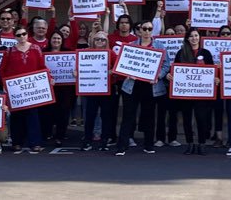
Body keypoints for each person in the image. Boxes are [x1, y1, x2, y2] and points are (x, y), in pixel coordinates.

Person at [115, 19, 164, 156]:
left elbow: (166, 65)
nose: (147, 31)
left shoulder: (159, 45)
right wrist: (128, 74)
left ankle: (148, 145)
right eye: (144, 29)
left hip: (150, 86)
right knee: (128, 116)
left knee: (149, 116)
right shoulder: (130, 46)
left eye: (150, 29)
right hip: (132, 86)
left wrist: (158, 76)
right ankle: (122, 146)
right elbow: (123, 65)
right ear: (139, 30)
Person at [0, 28, 45, 153]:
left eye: (24, 34)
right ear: (15, 37)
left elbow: (42, 66)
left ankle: (35, 142)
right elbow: (2, 70)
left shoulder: (36, 49)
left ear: (27, 35)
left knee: (33, 115)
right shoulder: (9, 51)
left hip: (33, 88)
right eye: (18, 35)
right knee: (17, 116)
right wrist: (5, 84)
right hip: (15, 89)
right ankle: (17, 142)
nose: (22, 36)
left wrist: (49, 78)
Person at [172, 27, 215, 155]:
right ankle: (190, 143)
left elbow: (211, 71)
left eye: (196, 35)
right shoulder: (181, 53)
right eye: (191, 36)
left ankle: (201, 144)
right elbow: (175, 70)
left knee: (201, 118)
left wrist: (215, 78)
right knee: (186, 119)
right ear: (187, 38)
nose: (194, 38)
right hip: (186, 94)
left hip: (201, 94)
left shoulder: (206, 53)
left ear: (199, 37)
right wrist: (171, 76)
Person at [81, 31, 119, 152]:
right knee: (90, 115)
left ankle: (104, 141)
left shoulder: (111, 53)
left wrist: (112, 71)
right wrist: (76, 72)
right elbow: (79, 67)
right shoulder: (86, 52)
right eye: (97, 39)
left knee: (106, 116)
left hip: (107, 89)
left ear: (106, 41)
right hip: (92, 89)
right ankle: (87, 140)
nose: (100, 42)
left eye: (103, 40)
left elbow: (118, 66)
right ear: (93, 40)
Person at [41, 30, 75, 147]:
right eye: (54, 38)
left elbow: (76, 66)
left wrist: (76, 73)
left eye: (59, 39)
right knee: (47, 112)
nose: (56, 40)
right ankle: (47, 133)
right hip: (48, 87)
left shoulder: (69, 52)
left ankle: (60, 136)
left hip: (66, 88)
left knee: (63, 112)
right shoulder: (43, 52)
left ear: (62, 40)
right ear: (50, 40)